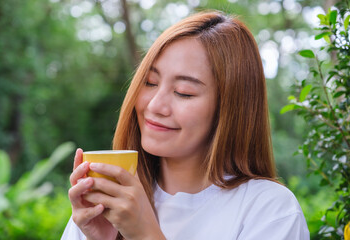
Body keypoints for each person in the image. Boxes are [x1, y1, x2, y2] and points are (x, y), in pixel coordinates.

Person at [61, 10, 310, 240]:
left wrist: (145, 234)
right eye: (149, 82)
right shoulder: (108, 203)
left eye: (183, 92)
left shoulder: (270, 210)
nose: (155, 105)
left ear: (231, 109)